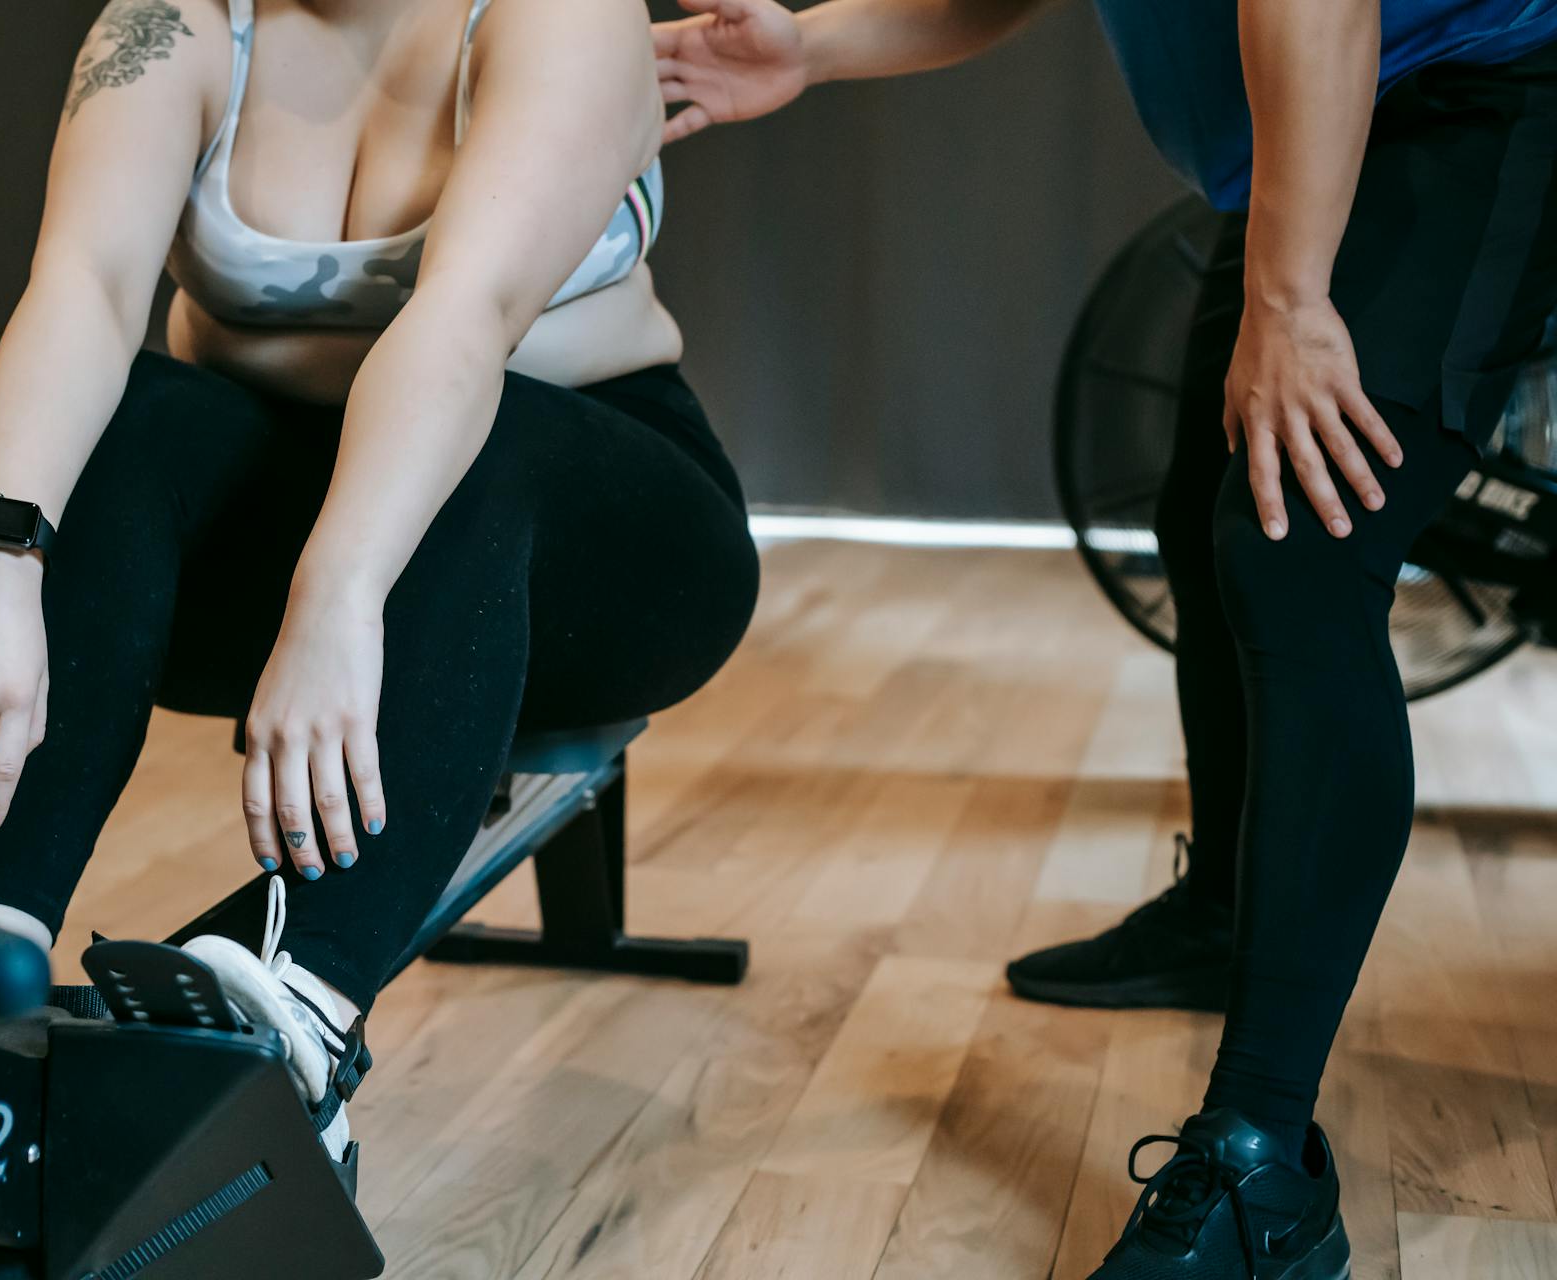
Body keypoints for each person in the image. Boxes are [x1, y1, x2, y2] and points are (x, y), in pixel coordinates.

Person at [656, 0, 1557, 1276]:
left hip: (1479, 84)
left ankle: (1262, 1164)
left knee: (1297, 551)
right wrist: (819, 43)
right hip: (1309, 113)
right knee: (1212, 516)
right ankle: (1225, 910)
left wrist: (1292, 298)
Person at [0, 0, 760, 1168]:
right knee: (122, 420)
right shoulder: (174, 24)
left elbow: (465, 318)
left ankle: (302, 1006)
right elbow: (85, 286)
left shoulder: (559, 16)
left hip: (600, 541)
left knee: (476, 452)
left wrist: (338, 594)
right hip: (303, 510)